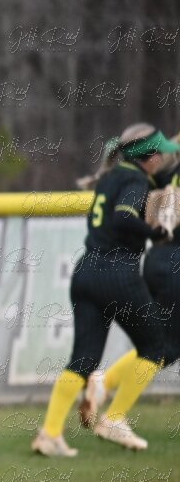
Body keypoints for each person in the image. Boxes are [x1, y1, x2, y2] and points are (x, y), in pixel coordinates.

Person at [34, 123, 177, 456]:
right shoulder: (136, 180)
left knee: (82, 360)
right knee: (155, 347)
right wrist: (155, 234)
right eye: (159, 153)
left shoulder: (111, 177)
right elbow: (124, 216)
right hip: (117, 274)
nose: (161, 159)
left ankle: (50, 434)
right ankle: (114, 418)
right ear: (149, 157)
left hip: (86, 271)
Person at [80, 151, 180, 439]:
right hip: (174, 263)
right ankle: (112, 411)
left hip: (158, 257)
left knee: (163, 345)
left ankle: (105, 385)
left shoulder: (166, 167)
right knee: (163, 347)